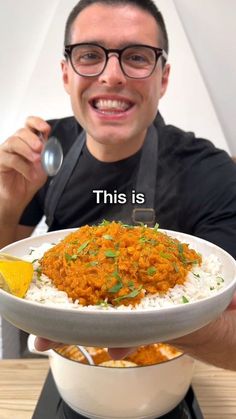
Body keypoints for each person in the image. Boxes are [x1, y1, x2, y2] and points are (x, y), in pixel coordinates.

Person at [1, 0, 236, 370]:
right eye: (90, 55)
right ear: (66, 74)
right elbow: (8, 272)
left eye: (138, 57)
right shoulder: (43, 151)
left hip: (171, 368)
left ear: (164, 78)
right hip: (64, 361)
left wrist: (154, 319)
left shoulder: (210, 170)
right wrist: (6, 206)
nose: (112, 76)